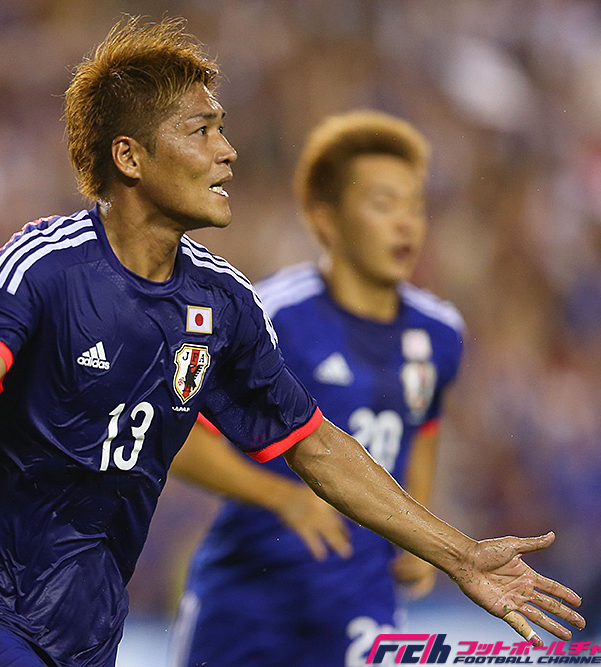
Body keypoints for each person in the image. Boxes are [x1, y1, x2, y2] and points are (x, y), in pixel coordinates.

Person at [0, 16, 584, 667]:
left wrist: (459, 555)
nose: (227, 151)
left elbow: (317, 445)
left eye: (221, 129)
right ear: (129, 156)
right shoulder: (47, 264)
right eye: (201, 131)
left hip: (84, 633)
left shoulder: (221, 304)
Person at [168, 111, 464, 667]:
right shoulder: (272, 319)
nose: (406, 224)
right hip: (248, 599)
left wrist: (417, 529)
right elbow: (180, 439)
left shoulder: (440, 334)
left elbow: (422, 425)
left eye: (415, 206)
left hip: (361, 600)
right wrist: (282, 497)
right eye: (383, 204)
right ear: (325, 219)